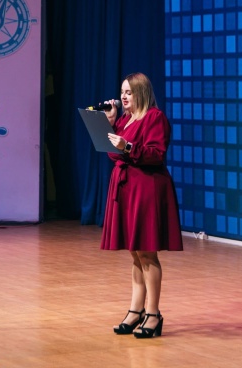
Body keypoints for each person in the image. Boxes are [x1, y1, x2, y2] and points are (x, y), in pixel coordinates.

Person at [101, 72, 183, 339]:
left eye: (129, 92)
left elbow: (156, 154)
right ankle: (135, 310)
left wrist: (128, 146)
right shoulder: (124, 120)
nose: (123, 97)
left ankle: (153, 314)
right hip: (127, 189)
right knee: (135, 254)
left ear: (141, 93)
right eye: (122, 92)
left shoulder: (155, 117)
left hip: (146, 189)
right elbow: (113, 153)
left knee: (147, 254)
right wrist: (111, 125)